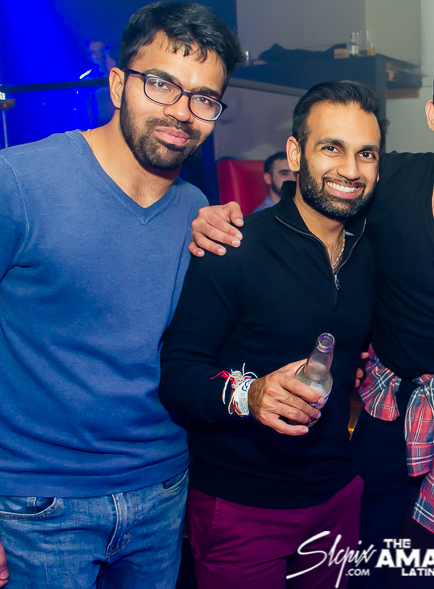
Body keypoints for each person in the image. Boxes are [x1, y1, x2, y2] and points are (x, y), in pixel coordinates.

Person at [189, 33, 434, 589]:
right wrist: (225, 220)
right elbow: (311, 208)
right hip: (383, 426)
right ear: (433, 111)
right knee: (372, 576)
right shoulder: (383, 182)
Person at [0, 3, 242, 589]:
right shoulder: (11, 185)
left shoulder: (197, 211)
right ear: (119, 84)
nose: (182, 111)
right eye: (161, 84)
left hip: (164, 493)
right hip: (39, 507)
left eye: (204, 97)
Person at [158, 80, 385, 589]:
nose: (351, 170)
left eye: (366, 154)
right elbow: (177, 373)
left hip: (337, 495)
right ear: (296, 154)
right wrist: (251, 394)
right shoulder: (234, 247)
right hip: (242, 504)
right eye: (332, 148)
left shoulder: (371, 251)